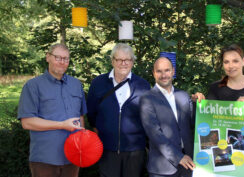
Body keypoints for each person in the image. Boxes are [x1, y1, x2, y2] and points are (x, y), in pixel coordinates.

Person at [193, 44, 244, 177]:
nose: (231, 66)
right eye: (226, 62)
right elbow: (210, 123)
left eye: (235, 61)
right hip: (226, 155)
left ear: (243, 61)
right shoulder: (216, 88)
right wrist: (198, 101)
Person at [17, 43, 87, 177]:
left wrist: (82, 144)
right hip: (45, 158)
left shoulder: (76, 85)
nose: (62, 62)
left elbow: (80, 116)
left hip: (72, 157)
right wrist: (61, 125)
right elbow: (27, 122)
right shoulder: (33, 86)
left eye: (66, 59)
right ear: (47, 57)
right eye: (58, 57)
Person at [86, 43, 151, 177]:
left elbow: (148, 116)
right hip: (106, 149)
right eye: (119, 59)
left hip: (135, 150)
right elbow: (91, 113)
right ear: (112, 61)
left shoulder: (143, 85)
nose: (123, 63)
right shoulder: (98, 83)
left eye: (127, 59)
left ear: (132, 62)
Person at [139, 57, 195, 177]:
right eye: (159, 71)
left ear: (173, 71)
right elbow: (155, 135)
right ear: (154, 73)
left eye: (167, 70)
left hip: (189, 164)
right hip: (163, 169)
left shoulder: (184, 96)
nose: (163, 75)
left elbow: (194, 123)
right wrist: (179, 157)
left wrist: (199, 104)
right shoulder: (147, 99)